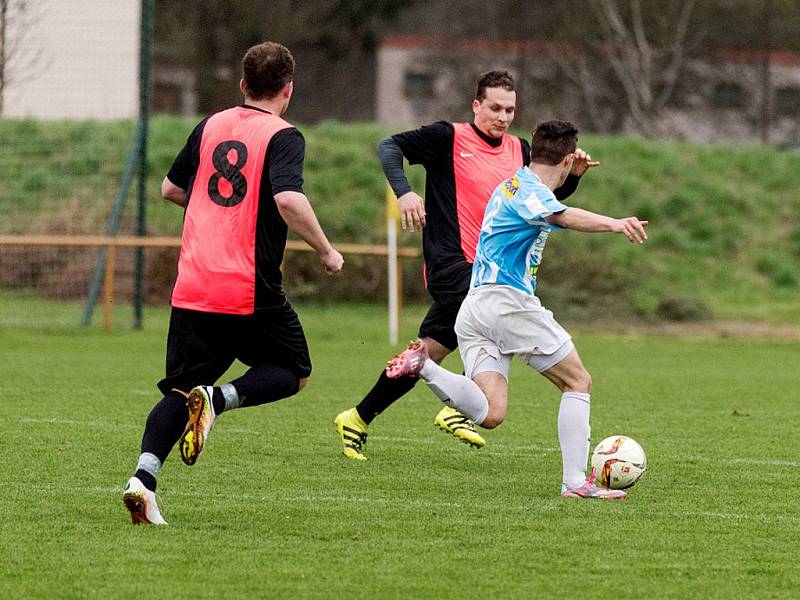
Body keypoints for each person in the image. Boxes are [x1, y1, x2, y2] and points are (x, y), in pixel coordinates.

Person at [122, 41, 344, 525]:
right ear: (288, 89)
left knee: (179, 391)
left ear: (242, 85)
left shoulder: (210, 125)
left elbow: (171, 189)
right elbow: (288, 199)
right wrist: (326, 249)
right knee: (293, 369)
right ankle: (218, 399)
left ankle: (142, 480)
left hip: (194, 281)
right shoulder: (284, 135)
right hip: (246, 285)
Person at [334, 71, 597, 460]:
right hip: (453, 264)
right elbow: (389, 146)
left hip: (489, 270)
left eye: (510, 109)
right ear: (476, 105)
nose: (503, 116)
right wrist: (404, 192)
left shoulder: (521, 151)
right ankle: (466, 409)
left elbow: (545, 204)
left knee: (429, 351)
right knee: (496, 321)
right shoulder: (447, 138)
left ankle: (357, 418)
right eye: (494, 107)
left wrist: (572, 178)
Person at [386, 120, 648, 499]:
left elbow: (552, 201)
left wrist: (571, 175)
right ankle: (575, 483)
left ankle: (424, 364)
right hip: (506, 302)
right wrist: (616, 223)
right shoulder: (527, 191)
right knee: (578, 381)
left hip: (476, 308)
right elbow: (562, 216)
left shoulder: (516, 184)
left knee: (490, 413)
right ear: (569, 156)